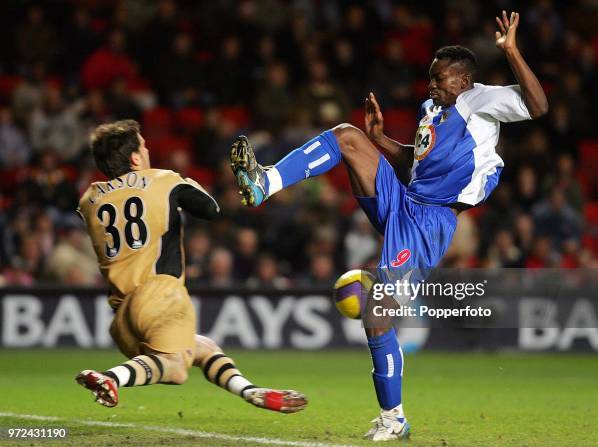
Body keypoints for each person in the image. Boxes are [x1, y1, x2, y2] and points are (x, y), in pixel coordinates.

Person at [229, 11, 546, 441]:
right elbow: (411, 167)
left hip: (429, 220)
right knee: (348, 136)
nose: (431, 86)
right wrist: (379, 140)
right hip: (406, 199)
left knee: (378, 313)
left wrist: (510, 51)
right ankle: (264, 182)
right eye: (430, 78)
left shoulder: (479, 101)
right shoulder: (432, 110)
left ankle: (393, 416)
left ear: (463, 81)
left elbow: (537, 105)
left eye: (440, 80)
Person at [76, 120, 307, 413]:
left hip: (122, 316)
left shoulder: (90, 199)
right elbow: (210, 209)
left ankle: (250, 391)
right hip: (160, 294)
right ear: (135, 158)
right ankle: (111, 377)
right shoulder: (162, 181)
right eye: (144, 146)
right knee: (175, 369)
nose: (147, 151)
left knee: (201, 347)